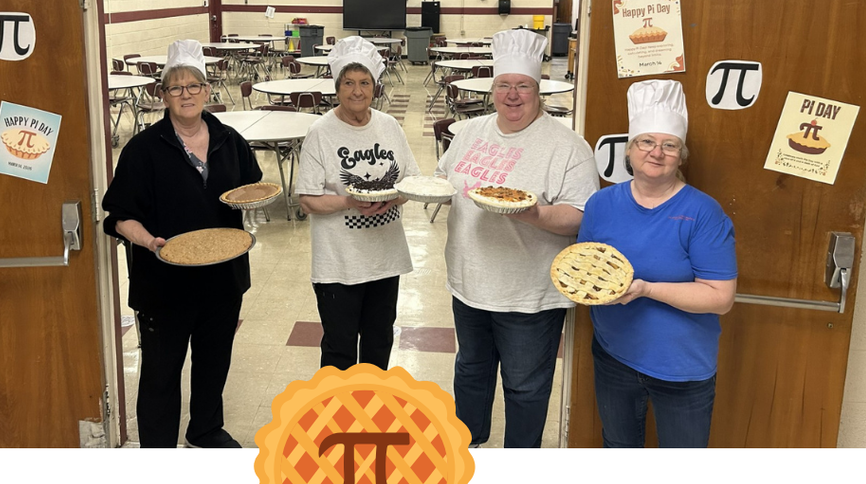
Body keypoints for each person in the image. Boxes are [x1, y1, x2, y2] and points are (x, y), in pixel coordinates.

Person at [435, 29, 598, 448]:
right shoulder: (470, 132)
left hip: (529, 293)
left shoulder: (567, 146)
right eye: (504, 85)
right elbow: (442, 179)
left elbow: (579, 217)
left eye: (522, 86)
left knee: (525, 386)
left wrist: (532, 214)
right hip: (469, 284)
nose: (512, 95)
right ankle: (466, 452)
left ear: (537, 89)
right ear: (492, 88)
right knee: (470, 371)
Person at [102, 40, 262, 448]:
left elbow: (251, 189)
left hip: (223, 279)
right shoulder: (144, 149)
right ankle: (157, 446)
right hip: (163, 283)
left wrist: (253, 212)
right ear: (163, 94)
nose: (186, 95)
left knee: (213, 362)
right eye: (176, 88)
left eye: (194, 86)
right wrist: (150, 243)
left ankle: (205, 430)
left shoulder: (230, 140)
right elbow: (120, 216)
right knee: (161, 370)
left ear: (207, 91)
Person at [578, 80, 738, 448]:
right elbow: (587, 269)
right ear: (630, 151)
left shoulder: (702, 212)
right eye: (646, 142)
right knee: (618, 448)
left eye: (670, 145)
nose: (657, 152)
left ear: (681, 155)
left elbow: (720, 298)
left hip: (682, 367)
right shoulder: (601, 204)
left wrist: (646, 289)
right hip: (614, 356)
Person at [296, 37, 420, 370]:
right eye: (348, 83)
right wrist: (349, 201)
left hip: (385, 257)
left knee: (379, 343)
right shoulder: (321, 132)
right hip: (339, 263)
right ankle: (338, 418)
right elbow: (307, 199)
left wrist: (393, 196)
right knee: (339, 349)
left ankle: (372, 411)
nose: (357, 91)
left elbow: (411, 181)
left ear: (374, 87)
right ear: (337, 88)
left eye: (364, 82)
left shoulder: (389, 126)